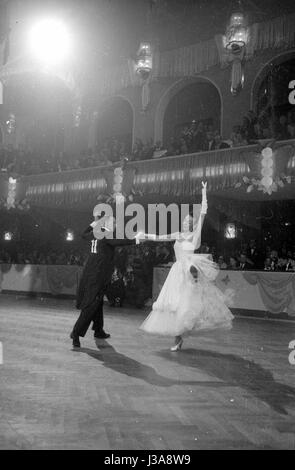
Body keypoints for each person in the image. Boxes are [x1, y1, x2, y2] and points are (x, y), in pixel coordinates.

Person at [135, 182, 234, 351]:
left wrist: (204, 193)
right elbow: (160, 237)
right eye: (185, 220)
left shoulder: (195, 235)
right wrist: (144, 235)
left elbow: (203, 213)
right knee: (174, 306)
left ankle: (181, 335)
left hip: (189, 273)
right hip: (177, 272)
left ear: (192, 224)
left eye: (189, 221)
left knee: (187, 306)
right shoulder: (177, 234)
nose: (186, 223)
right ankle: (177, 339)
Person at [70, 206, 134, 348]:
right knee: (91, 304)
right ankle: (76, 333)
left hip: (91, 273)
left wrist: (95, 222)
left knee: (97, 302)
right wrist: (137, 240)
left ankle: (98, 330)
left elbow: (83, 233)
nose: (116, 224)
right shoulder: (105, 234)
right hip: (98, 275)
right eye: (114, 222)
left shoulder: (94, 232)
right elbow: (121, 241)